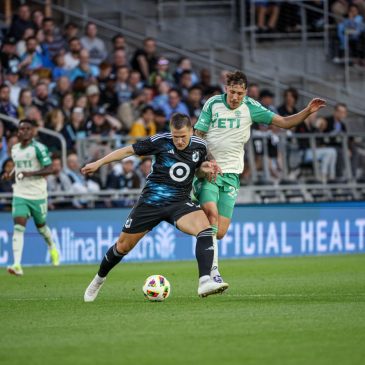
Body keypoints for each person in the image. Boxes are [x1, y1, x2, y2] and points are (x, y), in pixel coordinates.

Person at [193, 70, 326, 283]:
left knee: (220, 232)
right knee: (211, 215)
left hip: (232, 175)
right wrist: (204, 160)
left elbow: (284, 122)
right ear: (226, 88)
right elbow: (198, 135)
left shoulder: (251, 108)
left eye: (240, 93)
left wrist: (307, 112)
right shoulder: (212, 104)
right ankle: (212, 273)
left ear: (245, 92)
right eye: (232, 92)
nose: (235, 97)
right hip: (210, 171)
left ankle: (203, 237)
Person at [82, 113, 228, 302]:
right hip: (151, 202)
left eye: (183, 136)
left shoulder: (200, 146)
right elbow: (128, 151)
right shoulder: (161, 141)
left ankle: (204, 281)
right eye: (176, 137)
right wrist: (99, 163)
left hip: (179, 202)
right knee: (122, 246)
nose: (180, 141)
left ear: (191, 131)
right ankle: (98, 281)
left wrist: (204, 170)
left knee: (205, 229)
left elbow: (198, 170)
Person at [1, 119, 60, 276]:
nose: (24, 131)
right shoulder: (14, 149)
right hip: (20, 193)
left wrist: (30, 174)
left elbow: (50, 169)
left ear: (32, 131)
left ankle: (52, 246)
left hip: (38, 194)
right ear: (18, 132)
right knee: (18, 227)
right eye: (21, 129)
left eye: (28, 128)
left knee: (41, 227)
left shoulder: (39, 148)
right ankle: (17, 264)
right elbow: (18, 166)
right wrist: (9, 174)